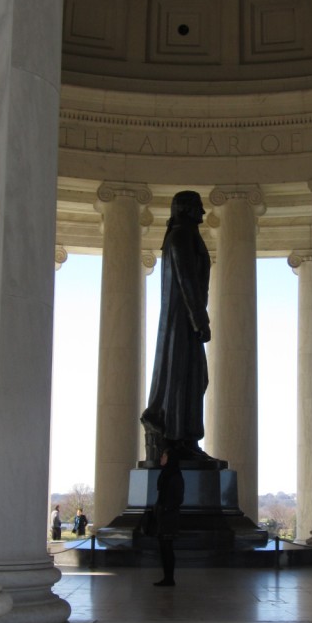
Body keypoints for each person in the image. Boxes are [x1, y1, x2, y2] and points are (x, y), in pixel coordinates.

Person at [141, 190, 211, 463]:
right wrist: (199, 319)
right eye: (197, 208)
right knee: (184, 377)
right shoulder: (181, 237)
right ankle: (179, 439)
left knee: (194, 377)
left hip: (182, 320)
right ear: (185, 210)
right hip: (182, 321)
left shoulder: (183, 236)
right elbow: (187, 280)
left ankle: (186, 439)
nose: (202, 214)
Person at [153, 447, 184, 587]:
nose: (161, 458)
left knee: (167, 548)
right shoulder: (167, 474)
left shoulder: (174, 475)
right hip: (163, 515)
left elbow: (178, 498)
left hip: (168, 516)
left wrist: (165, 508)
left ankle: (169, 578)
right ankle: (167, 577)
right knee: (164, 548)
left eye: (164, 456)